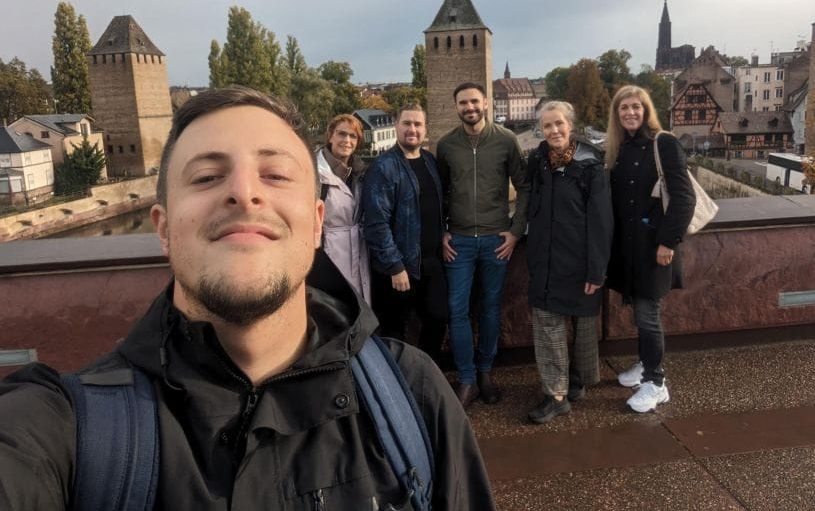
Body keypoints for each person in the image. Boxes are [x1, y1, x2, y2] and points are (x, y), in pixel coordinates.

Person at [0, 87, 495, 510]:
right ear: (164, 228)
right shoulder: (67, 431)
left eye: (275, 175)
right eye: (207, 177)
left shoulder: (414, 393)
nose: (243, 192)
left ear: (317, 222)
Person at [437, 82, 530, 409]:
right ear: (456, 107)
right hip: (459, 241)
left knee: (490, 309)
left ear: (486, 103)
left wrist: (516, 231)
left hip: (496, 241)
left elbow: (525, 186)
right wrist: (441, 231)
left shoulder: (506, 140)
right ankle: (466, 378)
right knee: (457, 309)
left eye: (474, 101)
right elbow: (439, 194)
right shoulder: (447, 145)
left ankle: (485, 373)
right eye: (463, 103)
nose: (469, 107)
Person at [604, 85, 696, 413]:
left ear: (646, 110)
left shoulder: (664, 143)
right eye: (623, 108)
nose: (630, 113)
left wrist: (667, 242)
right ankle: (645, 365)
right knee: (640, 313)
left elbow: (684, 198)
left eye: (636, 107)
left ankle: (656, 383)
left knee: (648, 315)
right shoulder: (619, 149)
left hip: (655, 248)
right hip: (629, 249)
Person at [525, 101, 613, 424]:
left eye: (559, 124)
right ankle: (556, 394)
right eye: (547, 126)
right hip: (546, 259)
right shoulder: (538, 160)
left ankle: (577, 381)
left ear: (571, 125)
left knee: (583, 325)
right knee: (547, 326)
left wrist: (596, 269)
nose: (554, 131)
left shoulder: (591, 165)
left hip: (578, 260)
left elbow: (602, 221)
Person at [362, 103, 448, 363]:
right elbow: (376, 223)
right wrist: (395, 266)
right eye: (407, 123)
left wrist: (445, 233)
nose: (412, 129)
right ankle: (399, 390)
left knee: (438, 318)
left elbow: (435, 209)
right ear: (396, 126)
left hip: (431, 262)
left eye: (418, 124)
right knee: (394, 331)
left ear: (425, 129)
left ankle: (425, 376)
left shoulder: (430, 161)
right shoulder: (383, 167)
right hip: (399, 267)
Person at [316, 113, 371, 302]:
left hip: (358, 251)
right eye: (341, 134)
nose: (347, 140)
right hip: (328, 254)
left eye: (353, 136)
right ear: (330, 136)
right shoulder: (314, 175)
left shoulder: (360, 173)